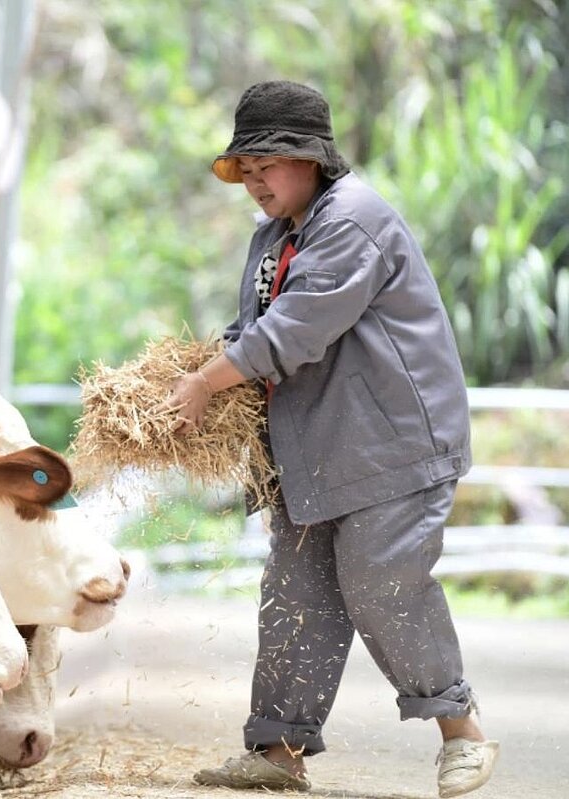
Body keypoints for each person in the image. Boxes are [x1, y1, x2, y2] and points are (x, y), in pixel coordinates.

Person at [167, 80, 499, 797]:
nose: (255, 181)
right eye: (246, 169)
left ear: (312, 159)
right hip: (311, 450)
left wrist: (203, 385)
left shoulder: (352, 221)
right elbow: (252, 327)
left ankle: (461, 730)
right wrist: (203, 366)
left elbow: (295, 331)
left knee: (382, 583)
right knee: (295, 592)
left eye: (269, 164)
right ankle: (277, 749)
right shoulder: (276, 234)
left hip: (391, 447)